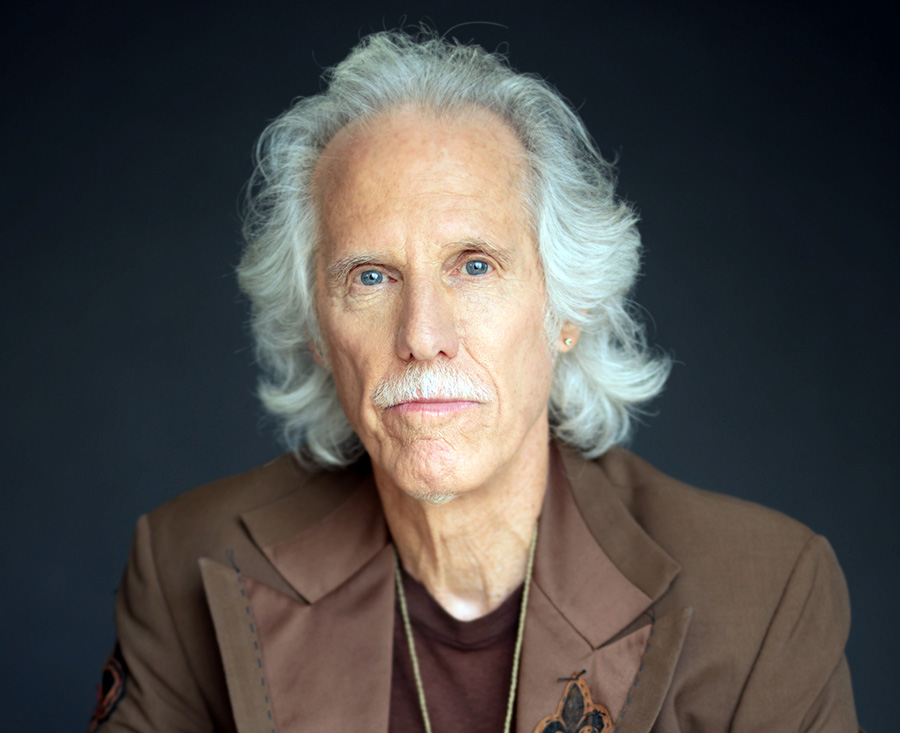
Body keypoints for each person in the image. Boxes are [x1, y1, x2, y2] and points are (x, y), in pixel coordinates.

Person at [90, 30, 858, 732]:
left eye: (476, 265)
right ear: (317, 331)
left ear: (566, 310)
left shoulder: (766, 596)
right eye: (370, 276)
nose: (422, 335)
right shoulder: (187, 561)